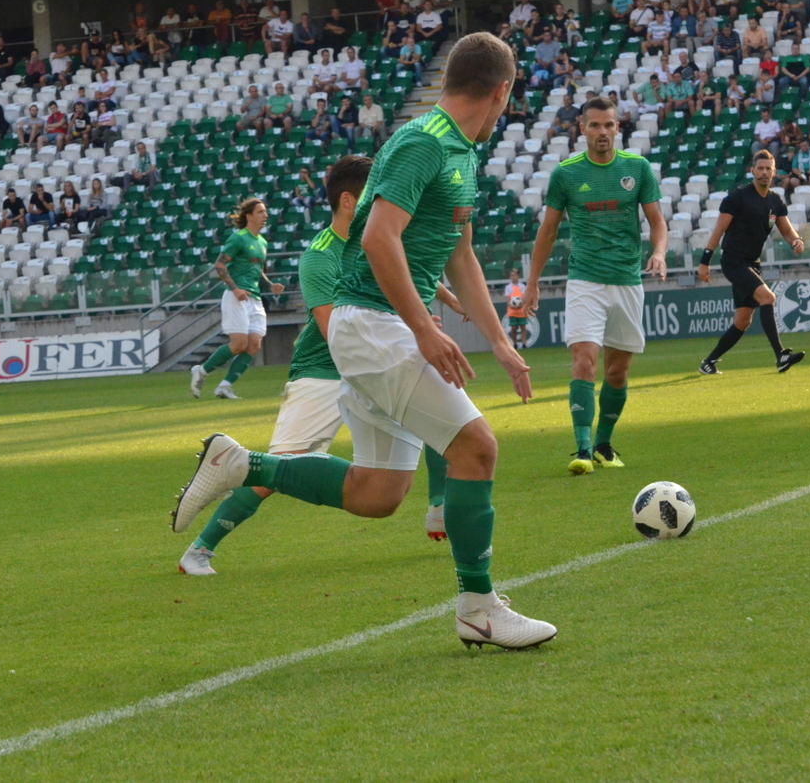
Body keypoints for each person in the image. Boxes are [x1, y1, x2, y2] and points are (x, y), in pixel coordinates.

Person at [173, 33, 556, 652]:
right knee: (477, 449)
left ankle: (243, 463)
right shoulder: (423, 142)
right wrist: (428, 330)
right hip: (376, 326)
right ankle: (479, 608)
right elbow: (379, 239)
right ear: (502, 91)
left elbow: (460, 256)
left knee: (377, 495)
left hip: (380, 328)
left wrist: (500, 341)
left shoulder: (460, 151)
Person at [179, 155, 463, 575]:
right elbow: (336, 330)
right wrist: (411, 325)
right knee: (275, 473)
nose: (387, 202)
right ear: (348, 201)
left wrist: (452, 301)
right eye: (376, 194)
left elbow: (412, 270)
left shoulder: (381, 240)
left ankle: (439, 506)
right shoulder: (320, 256)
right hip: (324, 371)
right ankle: (199, 548)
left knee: (446, 404)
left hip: (377, 362)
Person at [525, 96, 668, 474]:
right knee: (584, 360)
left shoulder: (637, 169)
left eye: (608, 125)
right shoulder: (566, 173)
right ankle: (583, 449)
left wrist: (660, 252)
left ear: (617, 127)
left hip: (626, 280)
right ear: (582, 129)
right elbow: (549, 230)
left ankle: (604, 442)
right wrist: (533, 283)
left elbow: (657, 221)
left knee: (617, 372)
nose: (602, 132)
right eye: (594, 125)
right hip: (585, 279)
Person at [698, 152, 806, 374]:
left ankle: (708, 362)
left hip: (752, 263)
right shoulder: (738, 197)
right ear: (752, 171)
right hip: (733, 261)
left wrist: (796, 240)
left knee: (742, 321)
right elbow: (718, 230)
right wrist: (704, 262)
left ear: (774, 172)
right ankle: (781, 356)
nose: (765, 172)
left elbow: (786, 230)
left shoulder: (775, 201)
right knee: (768, 297)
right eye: (760, 168)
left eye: (769, 168)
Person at [189, 197, 285, 400]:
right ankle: (201, 370)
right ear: (249, 216)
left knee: (254, 344)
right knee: (239, 344)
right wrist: (235, 289)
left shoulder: (262, 241)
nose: (265, 215)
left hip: (255, 298)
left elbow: (257, 270)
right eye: (260, 212)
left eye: (265, 212)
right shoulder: (238, 238)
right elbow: (219, 266)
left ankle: (224, 386)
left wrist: (270, 284)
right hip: (237, 297)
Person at [503, 268, 528, 348]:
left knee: (523, 327)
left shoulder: (522, 286)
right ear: (510, 277)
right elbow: (507, 299)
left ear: (518, 276)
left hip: (521, 310)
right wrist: (512, 305)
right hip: (512, 311)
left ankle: (524, 343)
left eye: (515, 275)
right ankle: (515, 343)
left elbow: (524, 298)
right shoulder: (508, 287)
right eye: (512, 275)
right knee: (513, 328)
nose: (514, 277)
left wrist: (520, 305)